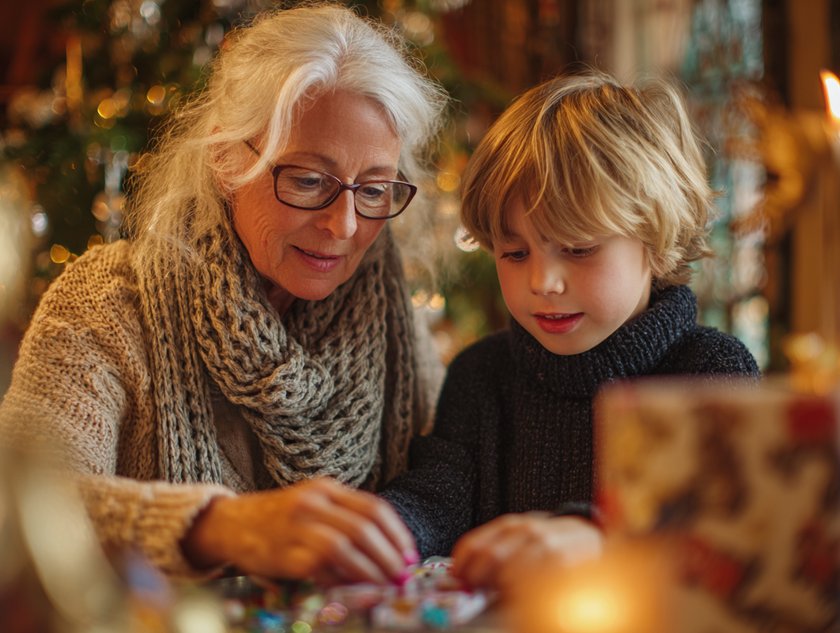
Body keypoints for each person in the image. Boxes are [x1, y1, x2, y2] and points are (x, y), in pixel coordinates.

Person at [0, 3, 449, 583]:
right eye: (309, 180)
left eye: (374, 189)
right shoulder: (106, 303)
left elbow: (457, 483)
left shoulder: (393, 322)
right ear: (224, 157)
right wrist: (220, 526)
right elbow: (21, 509)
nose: (343, 225)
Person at [380, 69, 760, 593]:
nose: (543, 282)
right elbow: (436, 498)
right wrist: (382, 529)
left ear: (656, 238)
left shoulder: (709, 373)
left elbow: (717, 533)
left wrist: (594, 536)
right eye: (514, 253)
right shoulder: (481, 374)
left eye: (579, 248)